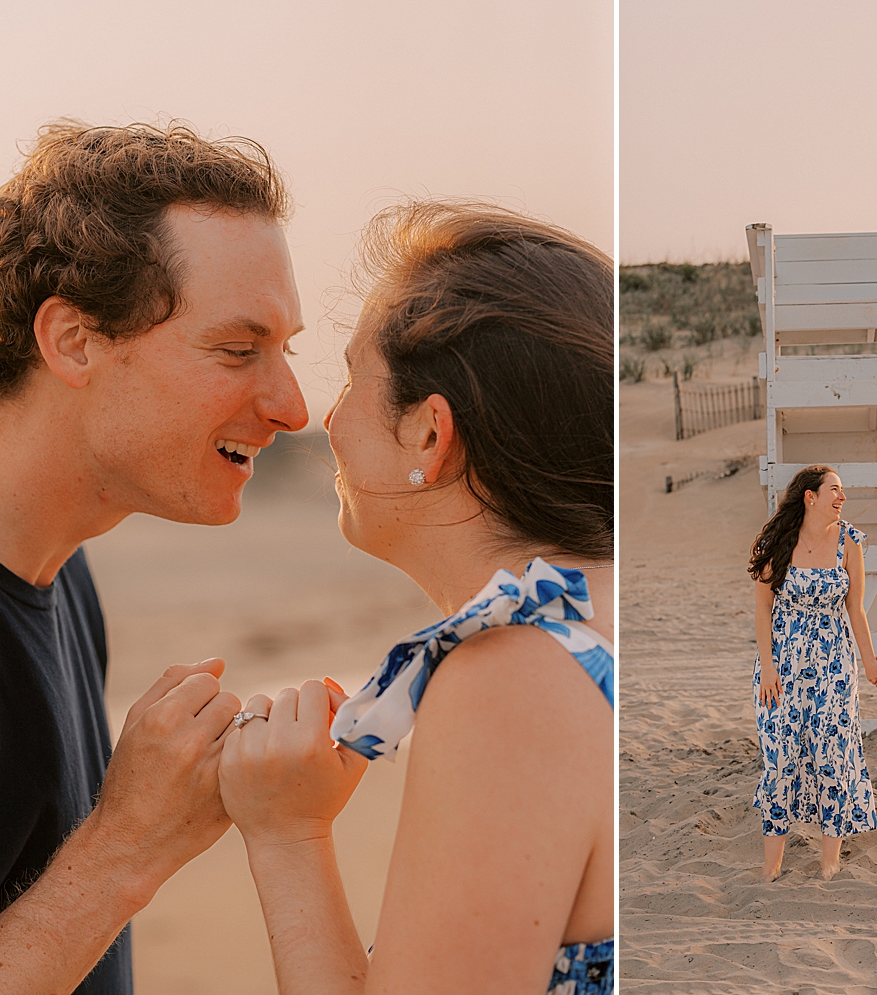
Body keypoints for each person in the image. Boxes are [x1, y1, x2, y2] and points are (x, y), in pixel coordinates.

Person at [215, 201, 614, 993]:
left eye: (355, 378)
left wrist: (287, 834)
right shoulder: (596, 614)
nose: (322, 418)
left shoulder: (516, 675)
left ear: (430, 434)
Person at [0, 120, 304, 994]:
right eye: (237, 349)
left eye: (285, 351)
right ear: (72, 340)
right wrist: (126, 847)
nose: (293, 406)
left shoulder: (62, 563)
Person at [746, 464, 877, 881]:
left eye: (843, 491)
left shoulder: (849, 542)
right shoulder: (778, 543)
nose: (842, 498)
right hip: (782, 666)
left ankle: (830, 862)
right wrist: (768, 667)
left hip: (833, 665)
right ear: (810, 496)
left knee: (833, 754)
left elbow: (855, 609)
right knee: (779, 759)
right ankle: (771, 867)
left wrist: (872, 659)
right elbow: (762, 610)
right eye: (835, 490)